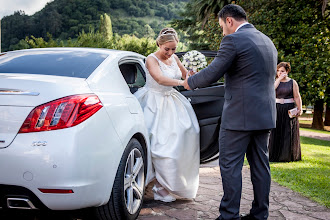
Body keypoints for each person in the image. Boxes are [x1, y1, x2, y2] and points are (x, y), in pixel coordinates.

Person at [183, 4, 277, 220]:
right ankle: (260, 214)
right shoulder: (266, 41)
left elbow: (213, 72)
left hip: (239, 117)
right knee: (261, 166)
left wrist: (190, 82)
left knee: (230, 166)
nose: (222, 32)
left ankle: (229, 216)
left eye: (221, 27)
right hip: (265, 115)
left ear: (229, 21)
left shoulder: (233, 40)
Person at [134, 28, 200, 202]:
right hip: (153, 103)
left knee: (181, 139)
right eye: (167, 49)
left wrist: (191, 74)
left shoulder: (175, 58)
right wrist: (181, 82)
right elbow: (160, 79)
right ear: (159, 44)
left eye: (173, 49)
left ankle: (168, 184)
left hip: (172, 102)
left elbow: (186, 75)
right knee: (157, 145)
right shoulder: (151, 58)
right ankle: (153, 184)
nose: (170, 53)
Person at [268, 62, 302, 162]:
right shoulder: (275, 82)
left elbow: (296, 96)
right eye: (278, 71)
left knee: (288, 131)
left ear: (287, 71)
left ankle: (286, 156)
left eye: (282, 71)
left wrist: (299, 108)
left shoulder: (292, 82)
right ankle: (273, 155)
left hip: (289, 109)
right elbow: (271, 90)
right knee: (275, 131)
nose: (279, 73)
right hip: (277, 108)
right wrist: (278, 79)